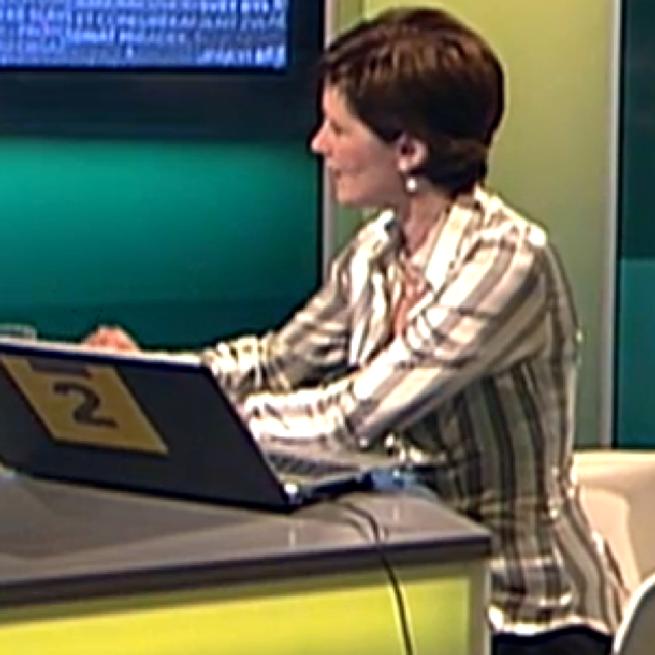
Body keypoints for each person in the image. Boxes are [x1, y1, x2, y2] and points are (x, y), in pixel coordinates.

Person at [86, 7, 624, 654]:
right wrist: (151, 379)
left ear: (409, 151)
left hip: (528, 616)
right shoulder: (376, 251)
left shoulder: (507, 261)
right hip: (418, 593)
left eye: (338, 129)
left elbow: (353, 419)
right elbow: (276, 362)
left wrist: (187, 421)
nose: (319, 145)